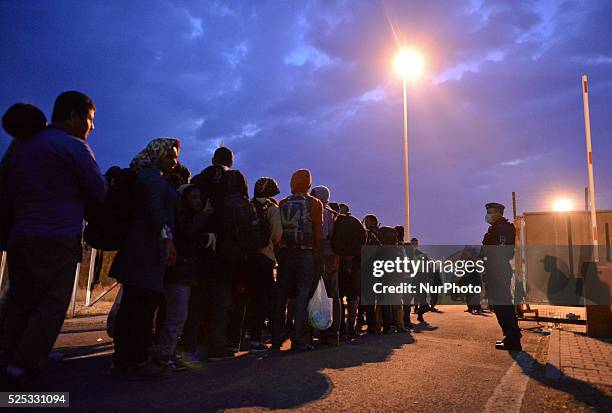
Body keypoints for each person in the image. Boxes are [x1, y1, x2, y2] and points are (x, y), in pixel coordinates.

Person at [1, 92, 106, 388]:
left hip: (21, 236)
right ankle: (24, 367)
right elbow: (98, 191)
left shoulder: (21, 145)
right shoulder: (74, 147)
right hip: (57, 237)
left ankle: (8, 359)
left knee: (20, 300)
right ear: (74, 116)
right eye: (90, 119)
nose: (92, 127)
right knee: (51, 304)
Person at [109, 137, 180, 380]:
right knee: (143, 306)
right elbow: (157, 215)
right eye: (170, 155)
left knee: (133, 305)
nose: (174, 161)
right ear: (158, 154)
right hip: (147, 250)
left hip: (141, 249)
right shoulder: (152, 178)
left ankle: (123, 359)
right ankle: (138, 360)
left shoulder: (148, 175)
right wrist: (168, 241)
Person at [154, 184, 210, 370]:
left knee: (177, 315)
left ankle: (167, 352)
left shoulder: (189, 218)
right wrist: (204, 216)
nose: (198, 201)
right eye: (194, 197)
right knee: (177, 315)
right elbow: (187, 232)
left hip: (185, 271)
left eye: (199, 198)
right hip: (179, 271)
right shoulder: (181, 219)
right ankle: (165, 354)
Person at [188, 147, 235, 361]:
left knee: (198, 296)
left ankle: (191, 343)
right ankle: (217, 344)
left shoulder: (199, 178)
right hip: (226, 246)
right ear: (231, 162)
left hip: (199, 242)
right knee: (221, 297)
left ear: (212, 159)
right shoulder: (234, 179)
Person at [272, 169, 323, 351]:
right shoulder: (314, 203)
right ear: (309, 184)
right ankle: (298, 340)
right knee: (302, 296)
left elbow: (277, 231)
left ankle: (276, 338)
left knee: (281, 296)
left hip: (285, 254)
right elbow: (318, 232)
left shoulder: (283, 202)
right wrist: (319, 255)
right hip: (306, 254)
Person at [246, 177, 282, 352]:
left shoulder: (247, 205)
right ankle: (256, 339)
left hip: (246, 257)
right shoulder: (272, 208)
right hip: (265, 257)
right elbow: (277, 234)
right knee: (263, 300)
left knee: (246, 298)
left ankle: (237, 338)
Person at [481, 202, 521, 351]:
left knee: (503, 305)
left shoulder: (504, 228)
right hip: (493, 270)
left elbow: (504, 251)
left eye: (490, 212)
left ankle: (513, 338)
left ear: (498, 213)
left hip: (498, 270)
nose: (488, 215)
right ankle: (510, 336)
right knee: (499, 305)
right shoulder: (495, 228)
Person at [311, 185, 341, 346]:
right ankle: (334, 333)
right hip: (334, 258)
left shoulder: (321, 211)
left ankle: (322, 330)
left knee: (320, 294)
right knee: (334, 296)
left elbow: (322, 234)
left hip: (323, 257)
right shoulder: (333, 213)